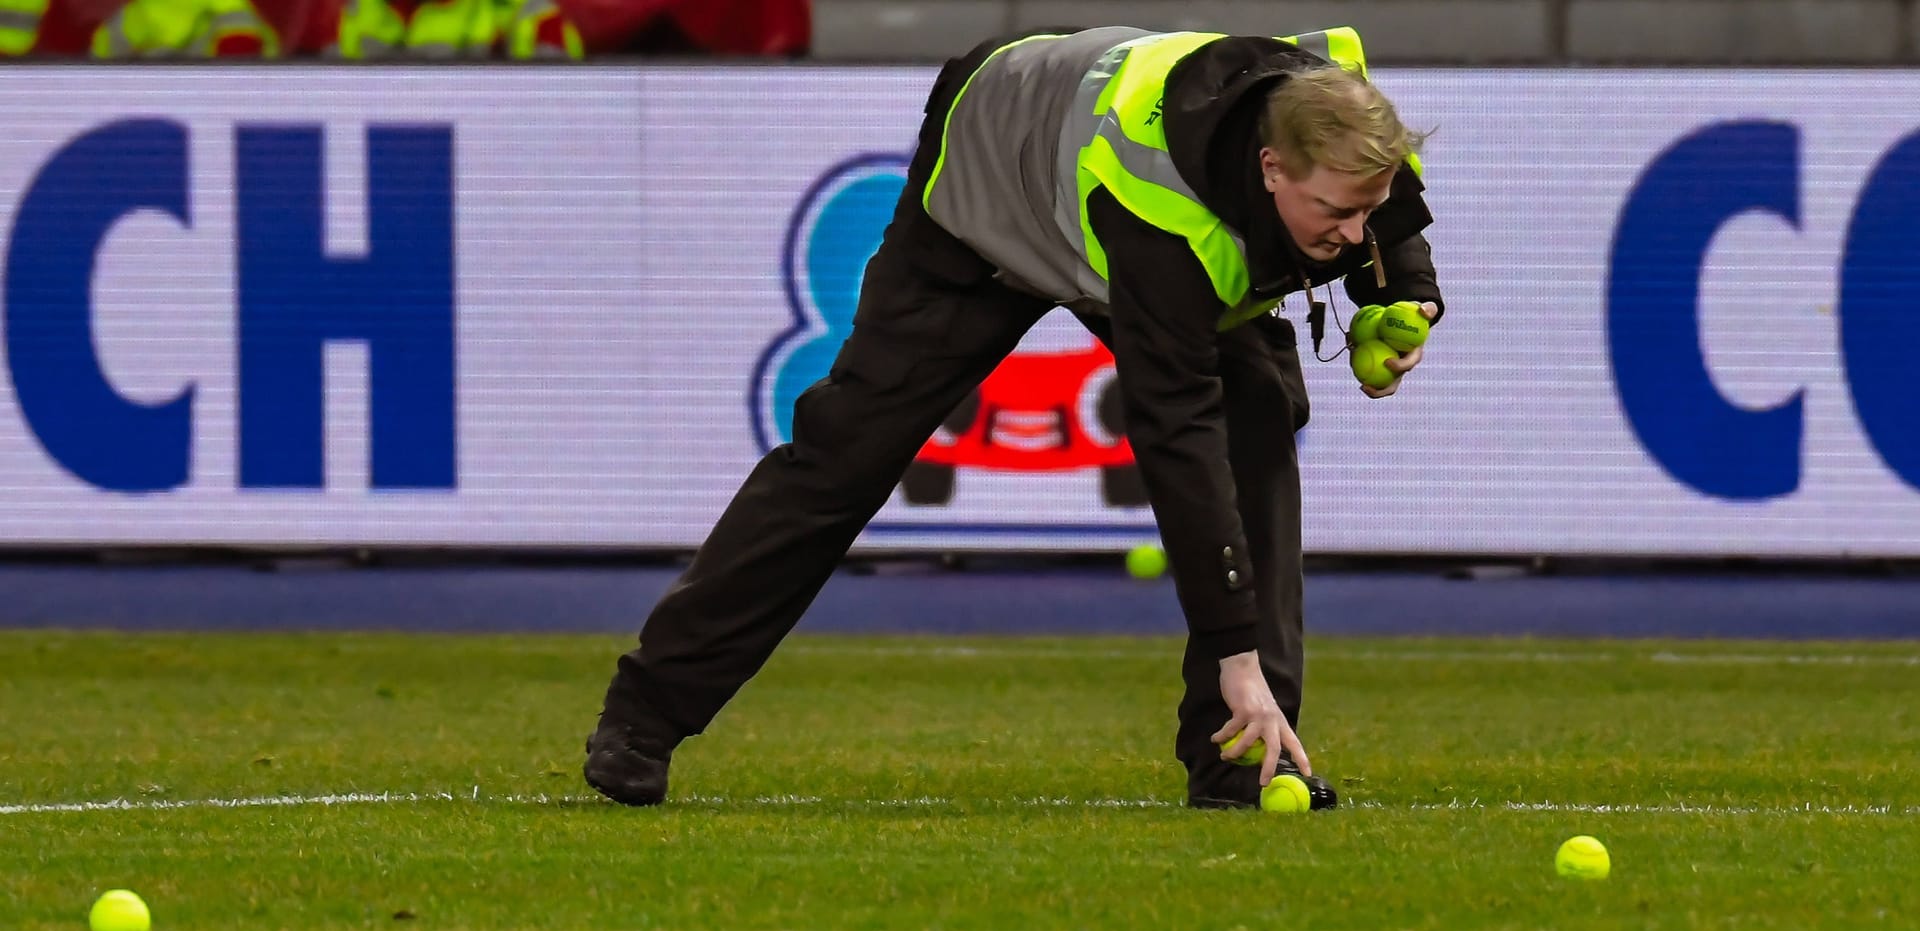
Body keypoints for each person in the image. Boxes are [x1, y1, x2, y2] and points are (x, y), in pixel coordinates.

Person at [584, 24, 1443, 810]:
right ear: (1270, 168)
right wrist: (1238, 658)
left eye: (1362, 210)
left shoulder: (1334, 111)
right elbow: (1176, 445)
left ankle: (1240, 760)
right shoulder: (1164, 225)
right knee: (840, 460)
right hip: (983, 207)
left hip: (1087, 181)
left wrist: (1403, 297)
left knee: (1257, 433)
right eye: (1334, 215)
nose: (1351, 230)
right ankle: (644, 717)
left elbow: (1381, 203)